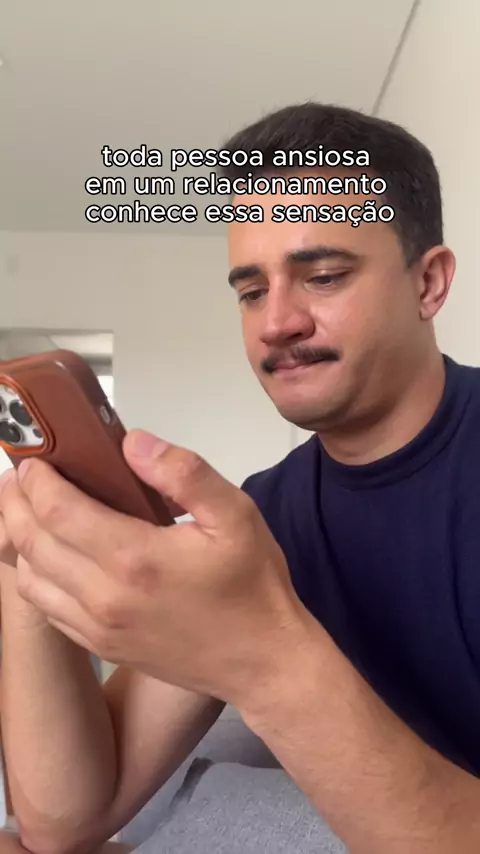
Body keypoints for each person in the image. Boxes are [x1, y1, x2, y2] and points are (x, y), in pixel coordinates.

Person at [0, 101, 479, 854]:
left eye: (323, 276)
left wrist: (265, 658)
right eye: (251, 291)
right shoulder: (265, 511)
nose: (276, 322)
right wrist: (29, 558)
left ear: (428, 284)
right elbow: (66, 820)